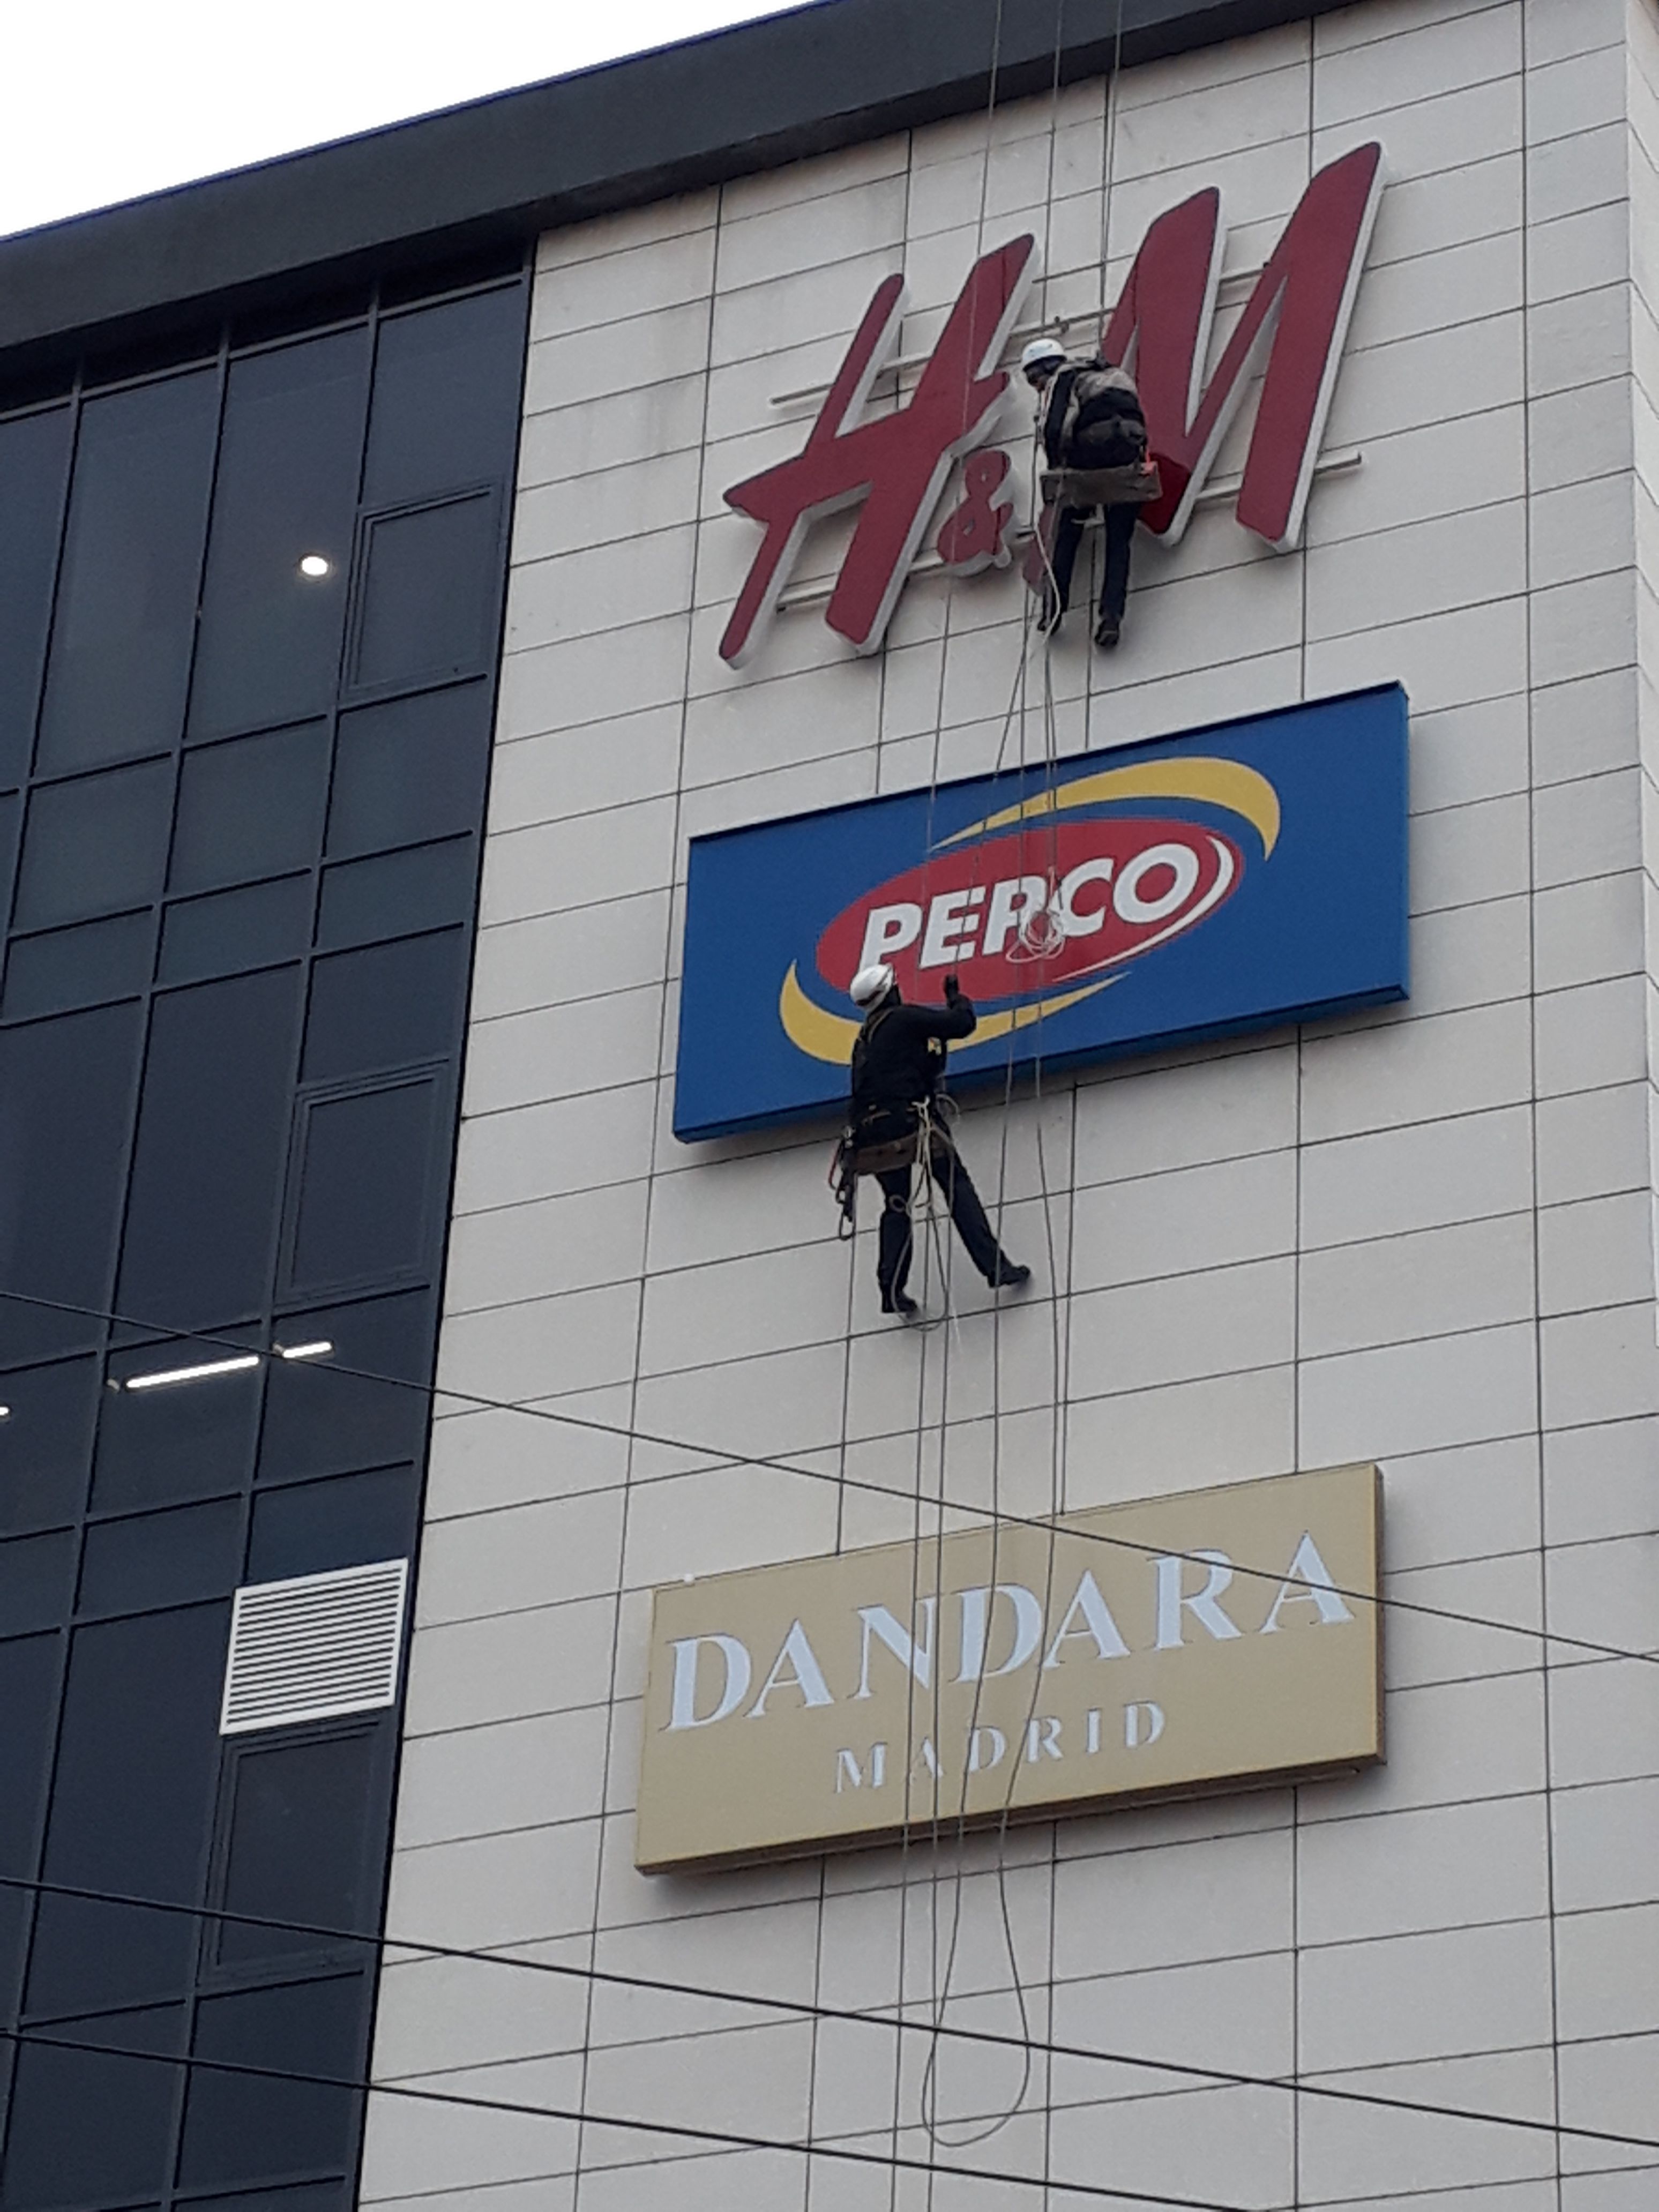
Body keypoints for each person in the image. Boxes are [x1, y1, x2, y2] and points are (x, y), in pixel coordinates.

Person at [847, 962, 1031, 1318]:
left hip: (874, 1135)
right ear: (890, 991)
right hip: (913, 1122)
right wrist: (956, 998)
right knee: (955, 1184)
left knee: (897, 1204)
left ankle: (891, 1288)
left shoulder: (864, 1039)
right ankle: (995, 1267)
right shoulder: (902, 1019)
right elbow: (961, 1025)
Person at [1020, 334, 1149, 649]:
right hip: (1127, 458)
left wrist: (1056, 470)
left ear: (1042, 370)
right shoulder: (1111, 375)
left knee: (1067, 531)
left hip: (1090, 456)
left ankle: (1053, 609)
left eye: (1035, 381)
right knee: (1119, 543)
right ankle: (1111, 618)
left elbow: (1054, 427)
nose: (1038, 388)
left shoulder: (1064, 377)